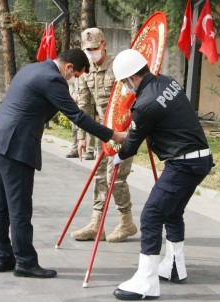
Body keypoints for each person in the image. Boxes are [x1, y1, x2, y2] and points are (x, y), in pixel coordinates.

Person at [0, 49, 126, 279]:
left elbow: (32, 107)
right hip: (14, 146)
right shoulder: (53, 79)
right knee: (19, 209)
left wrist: (62, 102)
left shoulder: (33, 68)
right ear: (69, 67)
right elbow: (78, 117)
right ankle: (25, 263)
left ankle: (3, 257)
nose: (73, 79)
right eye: (75, 75)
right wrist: (113, 135)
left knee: (0, 206)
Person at [111, 49, 214, 300]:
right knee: (172, 211)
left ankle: (146, 282)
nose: (125, 87)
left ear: (132, 78)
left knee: (152, 214)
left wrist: (118, 154)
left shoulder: (144, 104)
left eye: (124, 82)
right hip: (200, 159)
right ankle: (175, 266)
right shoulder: (168, 81)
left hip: (183, 164)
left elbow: (133, 141)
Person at [71, 28, 137, 243]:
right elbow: (84, 107)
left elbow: (133, 96)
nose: (91, 53)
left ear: (104, 45)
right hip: (104, 134)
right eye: (87, 49)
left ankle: (126, 222)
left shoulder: (119, 66)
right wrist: (81, 138)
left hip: (124, 132)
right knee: (100, 176)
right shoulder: (86, 71)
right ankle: (96, 223)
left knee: (115, 178)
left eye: (94, 48)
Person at [66, 78, 96, 160]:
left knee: (90, 126)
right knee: (75, 126)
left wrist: (83, 96)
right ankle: (74, 148)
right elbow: (70, 84)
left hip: (89, 102)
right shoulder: (74, 70)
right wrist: (73, 95)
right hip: (76, 102)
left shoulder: (87, 71)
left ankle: (90, 151)